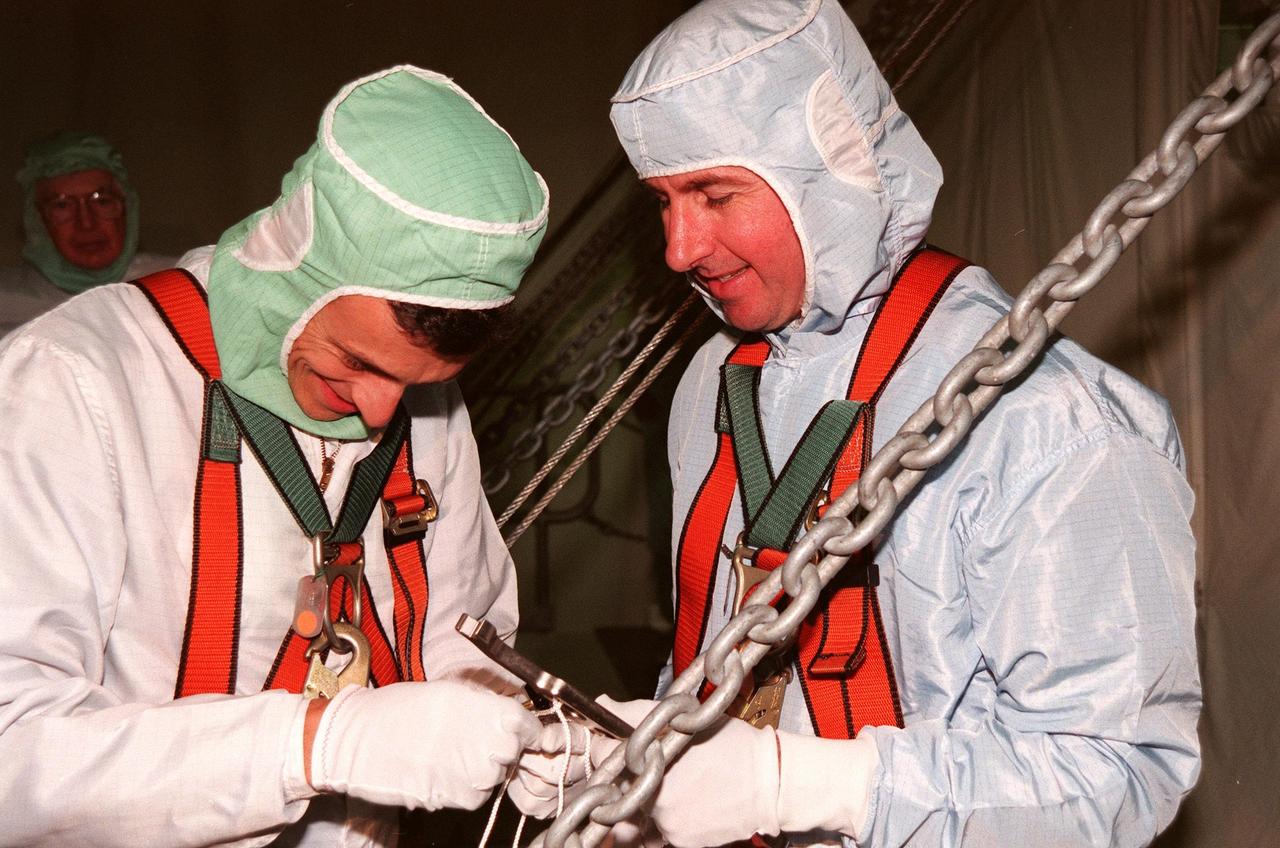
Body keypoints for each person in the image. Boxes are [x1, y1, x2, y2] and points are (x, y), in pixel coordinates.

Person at [513, 1, 1201, 846]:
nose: (679, 248)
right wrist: (630, 753)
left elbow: (1121, 776)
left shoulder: (1049, 425)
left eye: (714, 193)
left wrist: (810, 786)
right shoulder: (715, 385)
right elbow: (732, 660)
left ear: (826, 168)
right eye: (662, 201)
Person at [0, 66, 557, 846]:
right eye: (353, 365)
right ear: (295, 270)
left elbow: (460, 630)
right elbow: (12, 754)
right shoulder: (75, 381)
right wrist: (315, 745)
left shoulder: (415, 396)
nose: (381, 413)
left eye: (416, 382)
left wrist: (532, 727)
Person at [2, 131, 172, 338]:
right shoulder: (7, 303)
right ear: (37, 218)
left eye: (102, 201)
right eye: (62, 205)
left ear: (128, 207)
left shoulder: (183, 288)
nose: (87, 224)